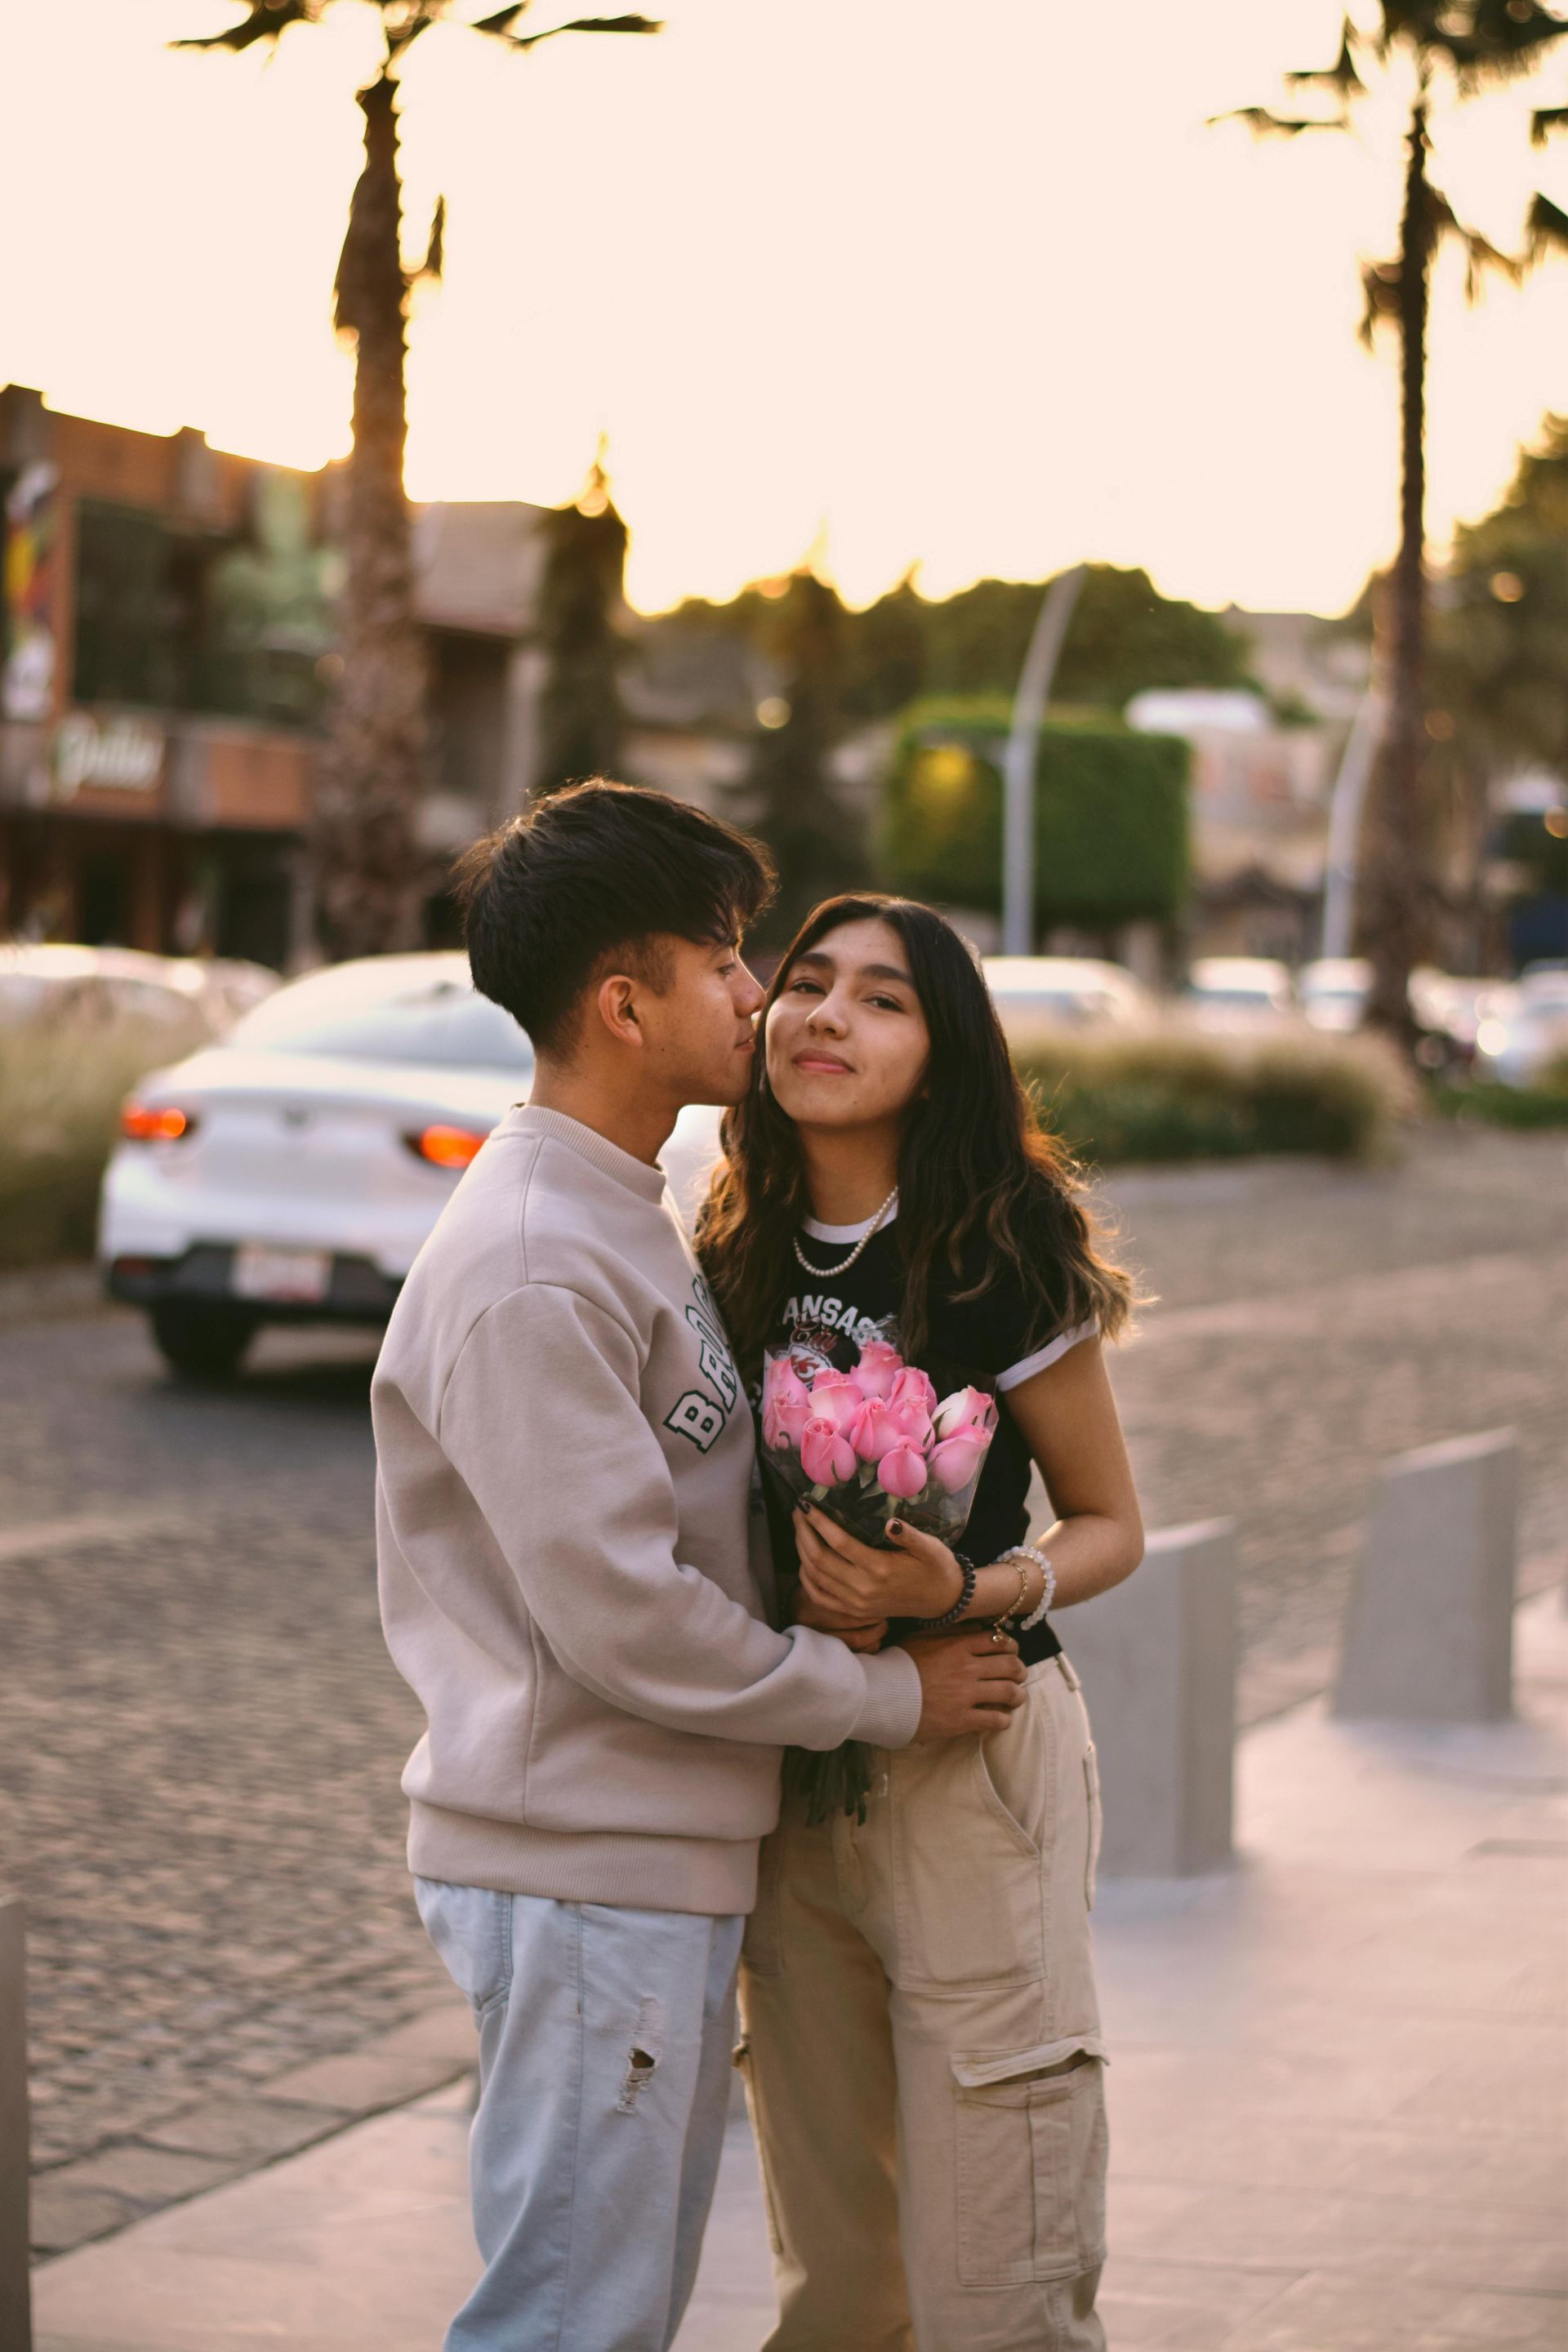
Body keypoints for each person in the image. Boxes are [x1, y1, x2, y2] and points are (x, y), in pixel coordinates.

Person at [372, 786, 1027, 2352]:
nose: (760, 994)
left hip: (639, 1856)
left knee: (610, 2311)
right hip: (582, 1864)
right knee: (569, 2322)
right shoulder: (537, 1265)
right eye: (726, 960)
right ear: (621, 1002)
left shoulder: (625, 1211)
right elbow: (633, 1628)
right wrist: (882, 1693)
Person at [697, 893, 1145, 2352]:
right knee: (837, 2275)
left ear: (945, 1055)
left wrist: (961, 1590)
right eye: (807, 983)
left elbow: (1108, 1526)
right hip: (795, 1765)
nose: (824, 1016)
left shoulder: (996, 1244)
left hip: (973, 1756)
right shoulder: (724, 1247)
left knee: (998, 2262)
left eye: (883, 1000)